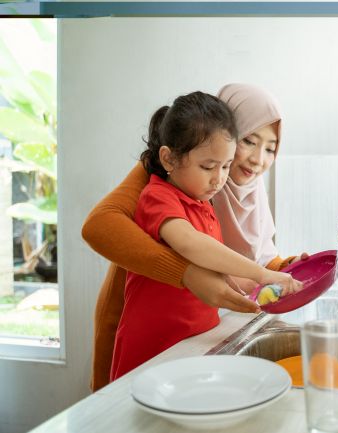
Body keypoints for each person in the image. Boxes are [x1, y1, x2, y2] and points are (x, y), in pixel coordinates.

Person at [82, 83, 307, 390]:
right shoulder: (163, 176)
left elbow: (233, 263)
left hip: (189, 338)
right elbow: (104, 226)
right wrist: (194, 274)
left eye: (270, 147)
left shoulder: (214, 194)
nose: (258, 159)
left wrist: (284, 273)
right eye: (249, 140)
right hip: (145, 332)